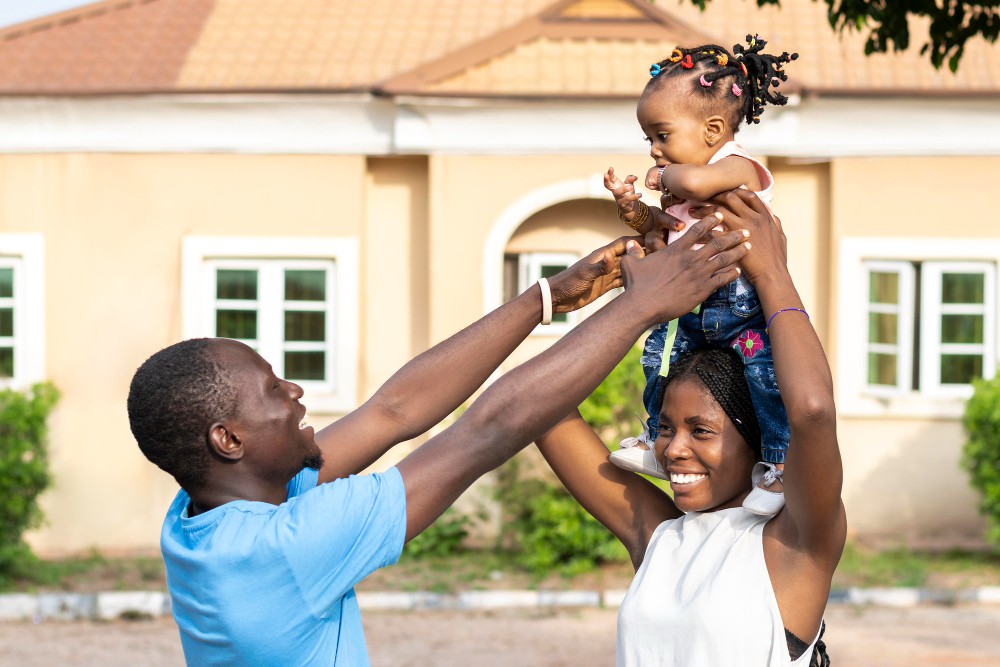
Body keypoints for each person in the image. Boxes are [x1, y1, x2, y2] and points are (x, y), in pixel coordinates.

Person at [125, 217, 750, 666]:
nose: (293, 391)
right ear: (228, 439)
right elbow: (486, 432)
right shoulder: (286, 544)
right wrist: (642, 307)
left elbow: (394, 410)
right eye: (269, 390)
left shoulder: (197, 518)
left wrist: (550, 297)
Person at [536, 190, 845, 666]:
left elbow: (813, 412)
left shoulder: (795, 543)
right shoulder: (661, 538)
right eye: (664, 427)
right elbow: (539, 404)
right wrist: (622, 304)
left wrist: (770, 274)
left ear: (756, 438)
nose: (673, 449)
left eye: (700, 430)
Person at [602, 35, 798, 515]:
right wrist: (633, 209)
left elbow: (691, 182)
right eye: (648, 139)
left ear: (712, 129)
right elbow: (658, 227)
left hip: (741, 306)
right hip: (690, 305)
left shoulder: (737, 167)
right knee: (659, 364)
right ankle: (653, 436)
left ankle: (778, 468)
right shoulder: (684, 186)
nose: (654, 151)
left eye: (661, 136)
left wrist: (664, 179)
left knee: (764, 378)